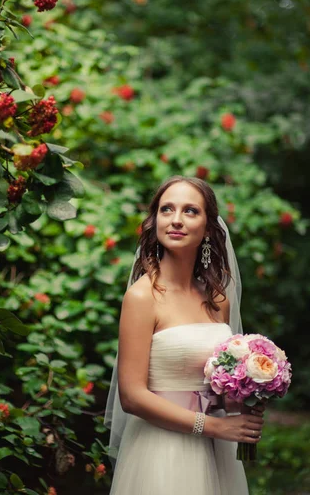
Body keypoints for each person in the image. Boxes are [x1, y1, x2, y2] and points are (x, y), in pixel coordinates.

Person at [104, 175, 266, 495]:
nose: (176, 220)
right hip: (162, 449)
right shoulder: (142, 297)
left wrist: (249, 393)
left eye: (190, 211)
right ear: (155, 222)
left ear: (207, 228)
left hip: (216, 453)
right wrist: (213, 426)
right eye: (167, 210)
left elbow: (218, 386)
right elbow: (132, 397)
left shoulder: (218, 299)